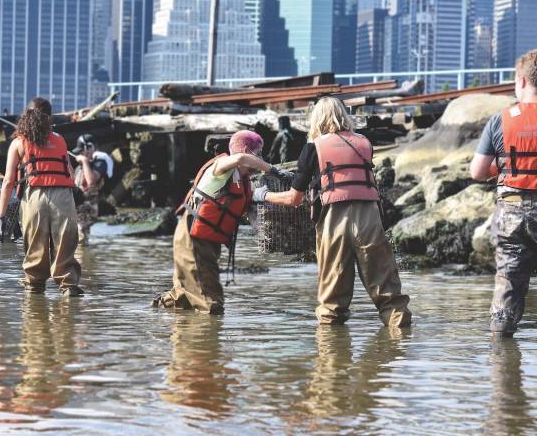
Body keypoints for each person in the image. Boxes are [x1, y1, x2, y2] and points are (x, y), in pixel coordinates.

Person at [255, 97, 411, 327]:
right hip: (370, 220)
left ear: (316, 119)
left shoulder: (313, 148)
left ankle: (332, 355)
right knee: (389, 294)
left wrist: (262, 195)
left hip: (333, 221)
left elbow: (294, 198)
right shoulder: (364, 143)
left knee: (332, 301)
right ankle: (398, 346)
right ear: (344, 115)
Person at [152, 130, 292, 315]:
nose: (261, 158)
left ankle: (156, 315)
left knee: (185, 294)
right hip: (192, 235)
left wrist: (290, 198)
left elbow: (253, 209)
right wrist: (274, 171)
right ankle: (207, 340)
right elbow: (241, 158)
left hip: (207, 240)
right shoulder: (220, 167)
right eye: (258, 152)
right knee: (210, 301)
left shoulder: (244, 182)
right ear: (246, 150)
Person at [470, 49, 537, 337]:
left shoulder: (500, 120)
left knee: (508, 285)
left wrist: (508, 166)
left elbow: (477, 171)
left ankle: (503, 363)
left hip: (512, 211)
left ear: (521, 82)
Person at [0, 97, 83, 295]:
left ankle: (35, 285)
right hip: (62, 197)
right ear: (50, 117)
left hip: (35, 197)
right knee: (65, 242)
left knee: (35, 245)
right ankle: (68, 285)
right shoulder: (60, 140)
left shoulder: (18, 143)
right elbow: (70, 173)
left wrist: (1, 217)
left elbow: (9, 181)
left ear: (26, 115)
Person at [72, 134, 113, 244]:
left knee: (82, 244)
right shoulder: (78, 168)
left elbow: (91, 181)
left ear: (90, 147)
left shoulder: (100, 163)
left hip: (89, 212)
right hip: (76, 212)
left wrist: (85, 161)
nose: (80, 154)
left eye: (82, 150)